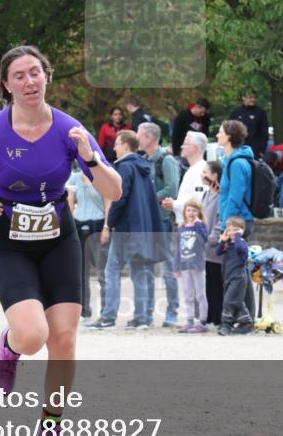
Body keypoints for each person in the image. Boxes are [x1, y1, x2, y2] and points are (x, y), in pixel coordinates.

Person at [0, 45, 121, 436]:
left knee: (63, 339)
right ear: (6, 85)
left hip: (58, 238)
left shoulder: (70, 129)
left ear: (47, 76)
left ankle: (51, 426)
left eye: (35, 72)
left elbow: (113, 190)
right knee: (32, 336)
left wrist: (90, 161)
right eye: (19, 76)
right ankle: (10, 348)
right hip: (10, 240)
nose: (29, 81)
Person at [88, 130, 161, 330]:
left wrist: (109, 223)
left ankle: (108, 317)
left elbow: (119, 197)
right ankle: (142, 318)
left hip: (126, 228)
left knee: (112, 270)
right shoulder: (144, 167)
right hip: (142, 228)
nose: (114, 147)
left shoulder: (125, 167)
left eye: (117, 143)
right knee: (139, 272)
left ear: (126, 146)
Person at [138, 122, 181, 326]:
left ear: (150, 138)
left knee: (167, 268)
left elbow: (172, 189)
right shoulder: (143, 160)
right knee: (146, 267)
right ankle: (146, 313)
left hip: (162, 221)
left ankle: (172, 312)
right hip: (147, 222)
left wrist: (147, 199)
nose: (137, 138)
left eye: (139, 134)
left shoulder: (166, 160)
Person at [68, 164, 109, 319]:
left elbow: (108, 203)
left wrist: (106, 226)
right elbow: (70, 203)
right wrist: (69, 226)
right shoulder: (75, 178)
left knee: (102, 270)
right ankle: (84, 309)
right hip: (79, 226)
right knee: (81, 272)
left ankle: (106, 310)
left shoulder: (101, 177)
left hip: (98, 225)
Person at [175, 198, 209, 333]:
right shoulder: (182, 228)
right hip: (185, 266)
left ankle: (202, 322)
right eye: (188, 210)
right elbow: (178, 250)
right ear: (184, 212)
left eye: (194, 210)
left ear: (199, 212)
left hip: (197, 265)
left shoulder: (200, 226)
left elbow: (204, 239)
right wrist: (176, 267)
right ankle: (190, 321)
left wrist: (198, 224)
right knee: (188, 295)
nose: (191, 213)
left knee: (200, 294)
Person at [216, 216, 253, 336]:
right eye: (230, 229)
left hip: (239, 278)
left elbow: (239, 249)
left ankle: (226, 325)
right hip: (228, 277)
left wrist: (238, 236)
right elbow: (218, 252)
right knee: (237, 301)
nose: (232, 232)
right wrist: (223, 240)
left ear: (242, 230)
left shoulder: (242, 243)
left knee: (228, 301)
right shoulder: (228, 244)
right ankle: (247, 323)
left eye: (236, 230)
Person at [162, 131, 209, 226]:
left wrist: (174, 204)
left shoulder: (201, 170)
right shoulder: (192, 169)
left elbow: (199, 199)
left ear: (195, 148)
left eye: (186, 144)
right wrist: (173, 206)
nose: (182, 146)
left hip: (192, 227)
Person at [201, 160, 224, 326]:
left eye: (205, 172)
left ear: (214, 175)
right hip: (204, 246)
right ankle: (209, 314)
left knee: (216, 282)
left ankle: (218, 315)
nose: (202, 175)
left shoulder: (221, 196)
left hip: (213, 246)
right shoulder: (206, 194)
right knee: (208, 282)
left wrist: (212, 238)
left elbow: (220, 220)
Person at [229, 90, 269, 159]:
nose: (253, 100)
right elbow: (230, 131)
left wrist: (262, 149)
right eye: (250, 97)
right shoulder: (235, 113)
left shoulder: (260, 113)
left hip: (255, 150)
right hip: (238, 149)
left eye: (254, 97)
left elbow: (264, 132)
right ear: (243, 98)